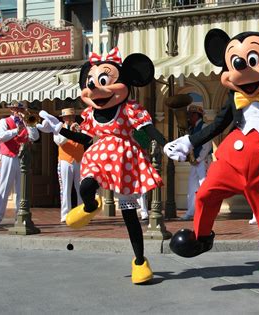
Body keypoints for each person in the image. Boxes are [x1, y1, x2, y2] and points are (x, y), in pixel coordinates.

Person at [164, 13, 259, 298]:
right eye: (236, 64)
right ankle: (201, 238)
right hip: (231, 162)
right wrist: (189, 141)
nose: (243, 70)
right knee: (205, 194)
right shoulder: (232, 98)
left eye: (251, 61)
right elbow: (217, 125)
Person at [39, 47, 167, 285]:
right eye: (91, 82)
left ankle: (140, 261)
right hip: (98, 157)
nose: (95, 87)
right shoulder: (90, 114)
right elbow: (86, 139)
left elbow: (148, 130)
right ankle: (90, 206)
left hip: (125, 159)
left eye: (104, 80)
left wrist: (166, 144)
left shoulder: (130, 109)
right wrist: (60, 129)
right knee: (86, 186)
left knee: (129, 214)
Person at [0, 101, 39, 229]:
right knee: (4, 189)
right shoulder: (4, 122)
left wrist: (28, 123)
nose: (18, 111)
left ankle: (20, 218)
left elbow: (35, 136)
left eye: (20, 109)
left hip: (22, 158)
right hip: (7, 157)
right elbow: (1, 136)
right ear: (12, 110)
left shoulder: (26, 121)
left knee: (21, 191)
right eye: (16, 109)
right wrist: (16, 131)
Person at [180, 104, 212, 221]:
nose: (188, 117)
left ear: (196, 115)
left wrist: (198, 159)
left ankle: (207, 211)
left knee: (204, 185)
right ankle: (191, 212)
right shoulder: (192, 129)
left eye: (190, 115)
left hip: (203, 161)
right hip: (196, 162)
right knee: (192, 187)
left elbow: (207, 145)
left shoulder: (204, 126)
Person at [53, 108, 84, 223]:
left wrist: (80, 132)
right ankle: (65, 214)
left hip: (79, 160)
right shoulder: (59, 129)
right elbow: (59, 141)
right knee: (65, 188)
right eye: (68, 117)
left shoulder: (80, 128)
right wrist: (70, 132)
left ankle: (82, 213)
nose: (70, 119)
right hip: (65, 160)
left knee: (81, 188)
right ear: (63, 118)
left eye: (72, 117)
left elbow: (87, 140)